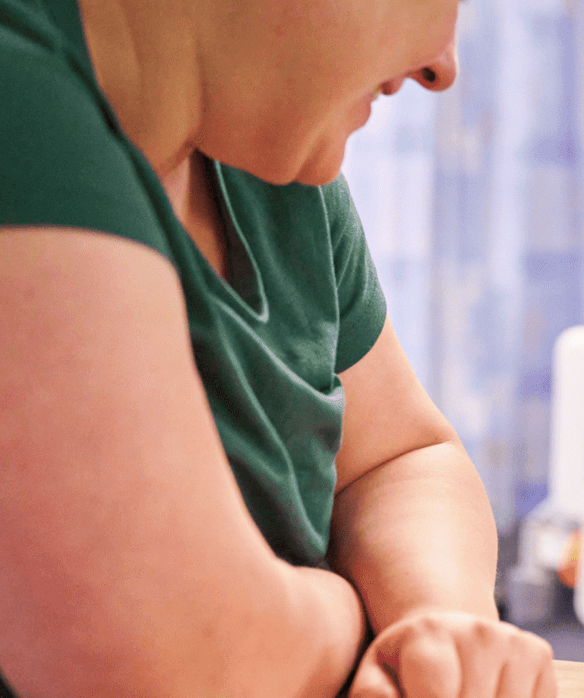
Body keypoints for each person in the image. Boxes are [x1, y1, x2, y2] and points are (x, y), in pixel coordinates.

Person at [0, 0, 555, 695]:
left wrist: (438, 633)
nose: (441, 67)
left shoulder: (273, 159)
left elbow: (399, 457)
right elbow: (177, 654)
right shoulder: (16, 98)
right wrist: (353, 617)